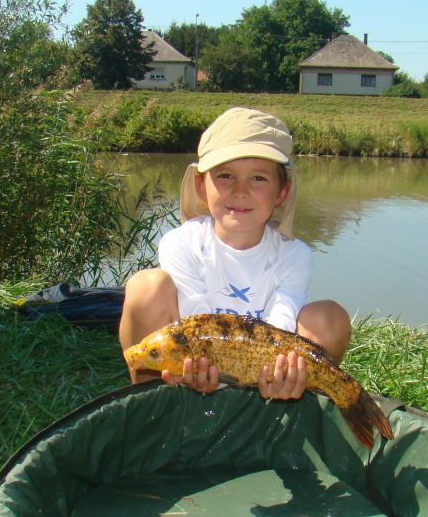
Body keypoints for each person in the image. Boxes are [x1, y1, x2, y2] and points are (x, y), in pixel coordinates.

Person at [118, 106, 351, 399]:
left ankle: (302, 398)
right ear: (202, 186)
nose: (240, 191)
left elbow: (281, 321)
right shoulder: (180, 243)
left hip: (262, 370)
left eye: (258, 178)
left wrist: (276, 371)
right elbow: (196, 324)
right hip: (190, 368)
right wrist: (201, 368)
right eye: (226, 175)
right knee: (146, 287)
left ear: (282, 192)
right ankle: (149, 401)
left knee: (330, 317)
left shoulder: (295, 255)